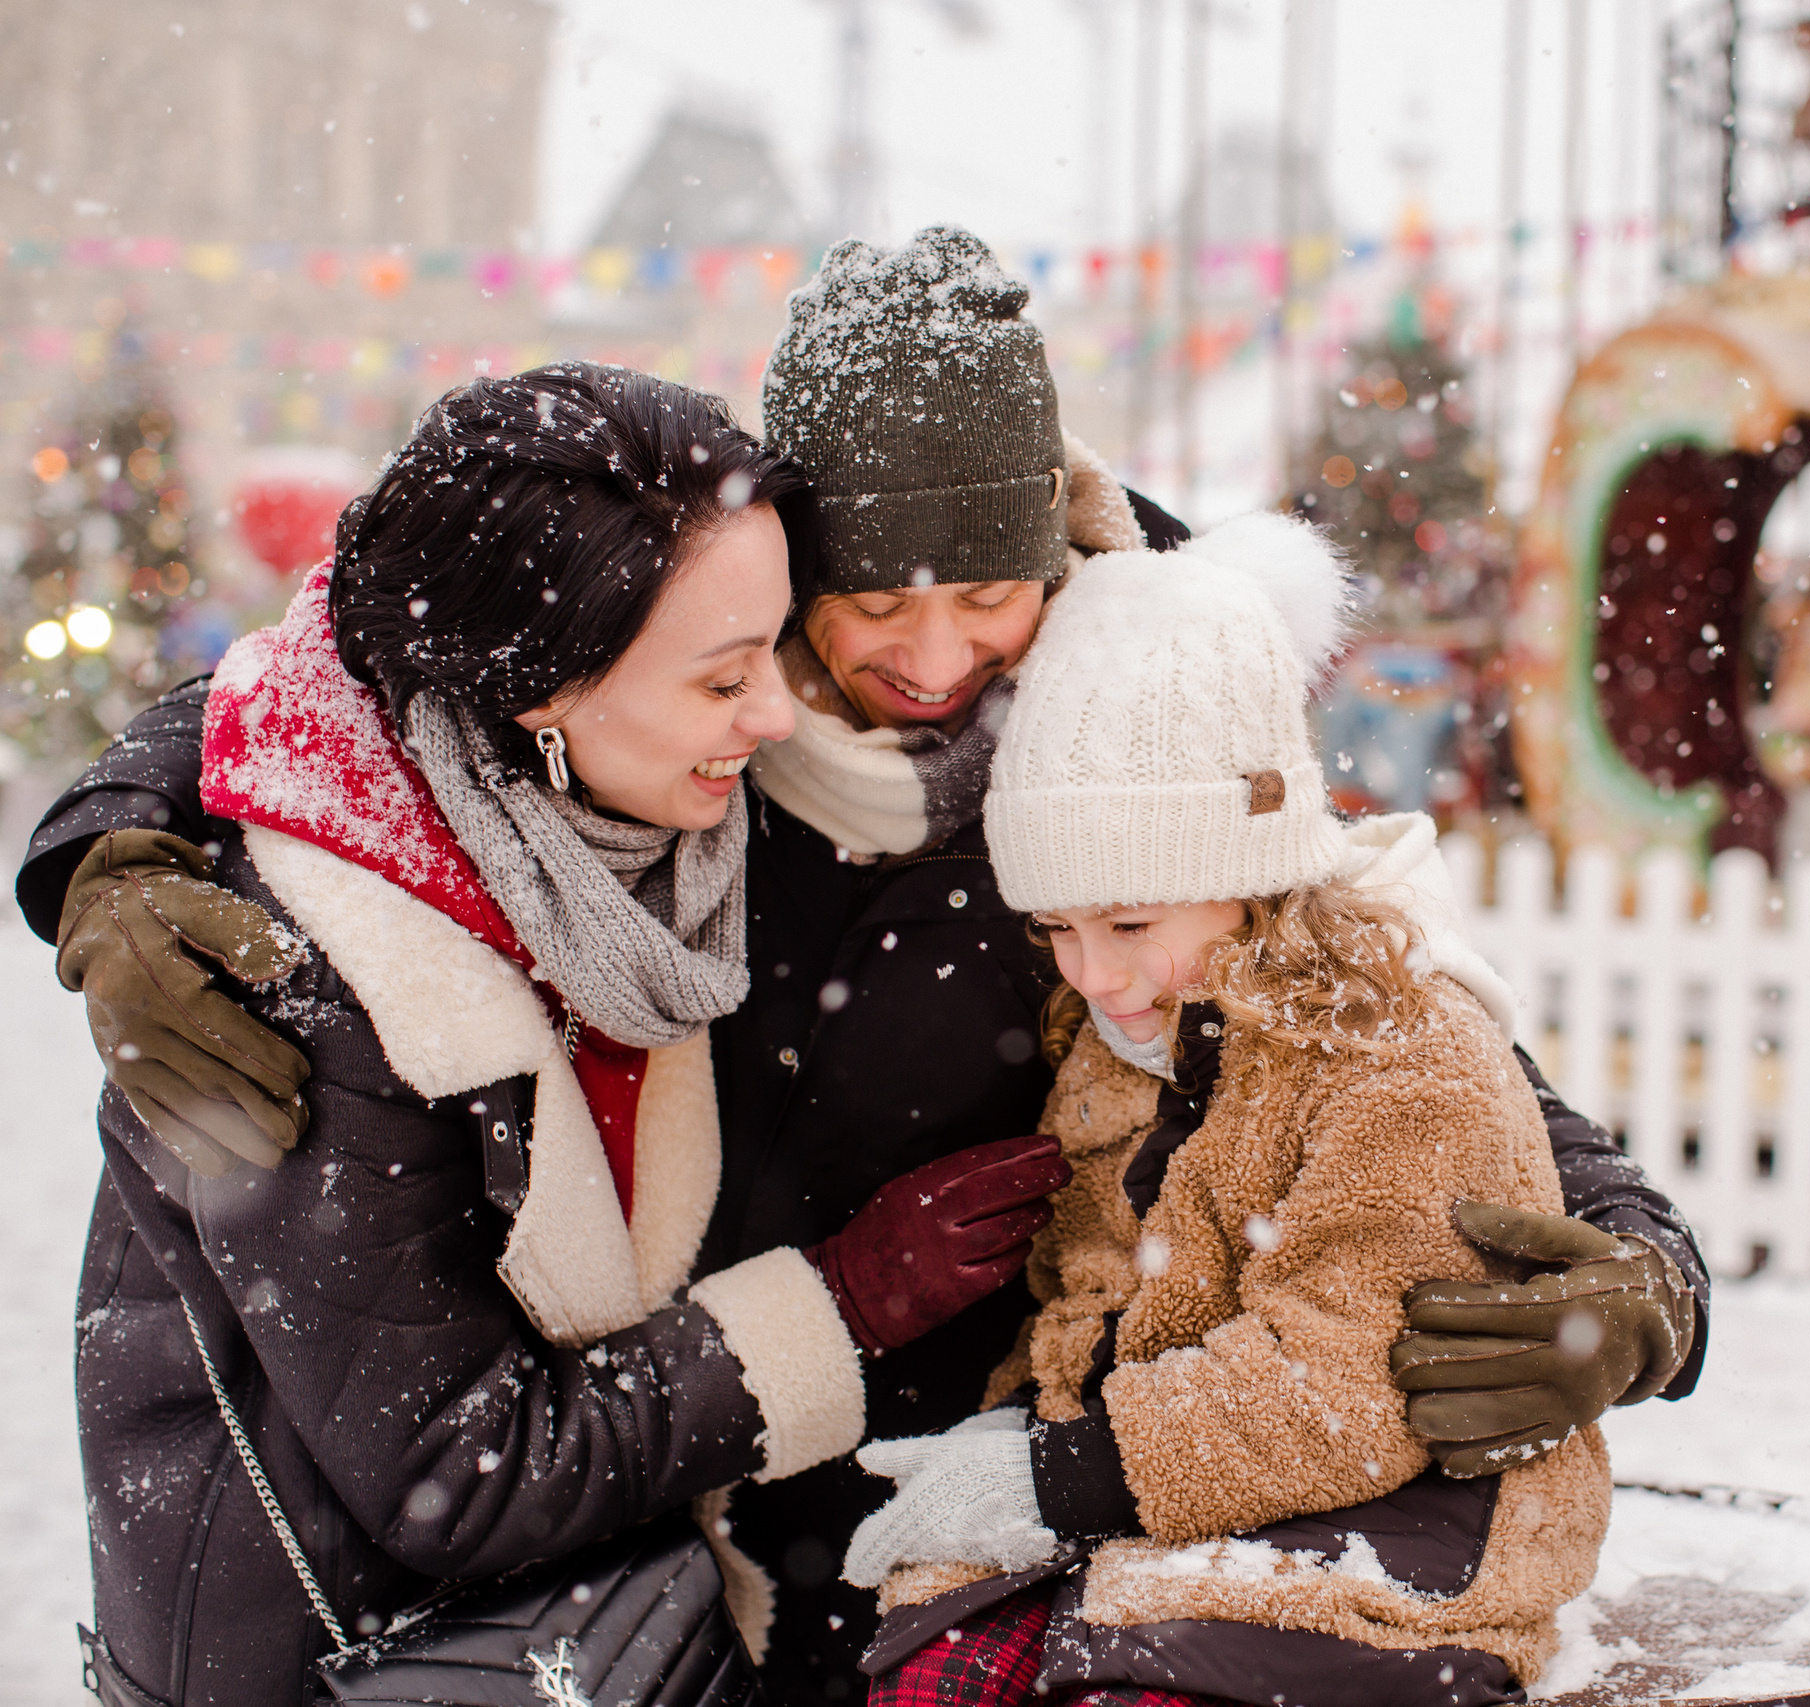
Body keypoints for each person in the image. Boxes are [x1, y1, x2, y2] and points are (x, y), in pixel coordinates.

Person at [23, 229, 1708, 1702]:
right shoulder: (695, 689)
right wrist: (109, 835)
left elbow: (1334, 980)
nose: (933, 656)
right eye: (870, 601)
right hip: (679, 1468)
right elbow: (384, 651)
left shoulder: (1124, 685)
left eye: (989, 593)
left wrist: (1638, 1262)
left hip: (990, 1471)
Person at [51, 364, 1078, 1707]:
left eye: (776, 646)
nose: (778, 714)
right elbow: (455, 1471)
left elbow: (361, 636)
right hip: (370, 1657)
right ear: (539, 693)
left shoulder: (614, 781)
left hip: (612, 1608)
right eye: (726, 678)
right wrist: (841, 1299)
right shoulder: (311, 979)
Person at [843, 514, 1619, 1707]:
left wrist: (1067, 1476)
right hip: (1168, 1498)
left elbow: (1356, 1372)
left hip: (1400, 1518)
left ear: (1251, 880)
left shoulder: (1400, 1051)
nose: (1093, 972)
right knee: (933, 1672)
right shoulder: (1119, 1041)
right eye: (1060, 927)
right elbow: (1090, 1285)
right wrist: (1022, 1431)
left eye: (1131, 924)